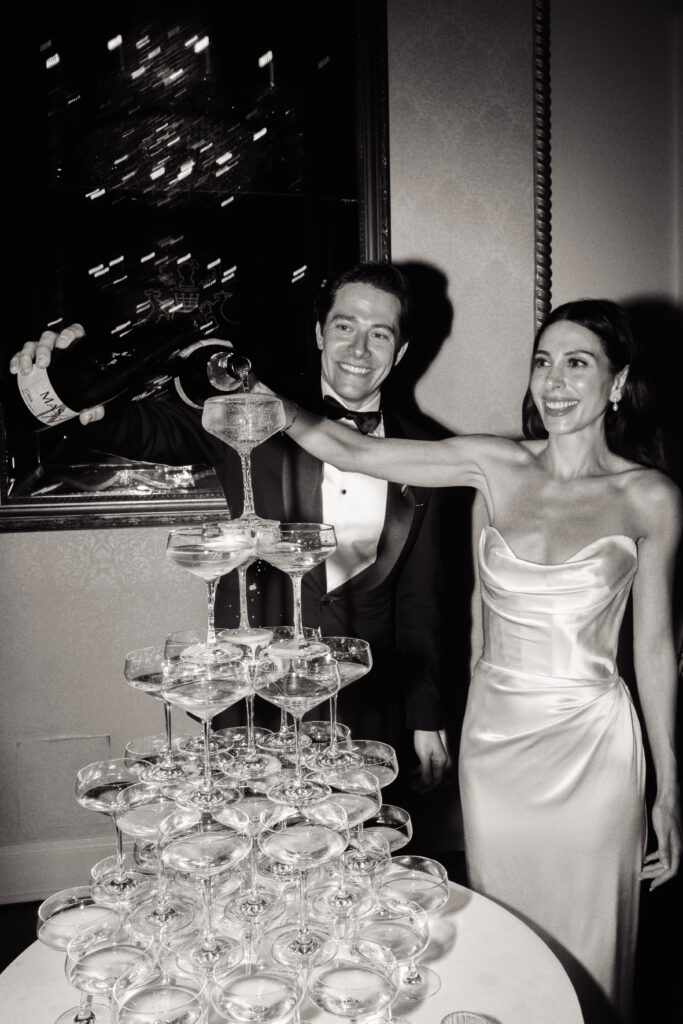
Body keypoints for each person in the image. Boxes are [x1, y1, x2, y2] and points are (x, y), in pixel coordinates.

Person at [249, 298, 681, 1024]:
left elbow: (658, 648)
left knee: (593, 936)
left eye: (577, 363)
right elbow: (353, 451)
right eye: (542, 361)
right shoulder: (492, 465)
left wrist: (669, 790)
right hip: (496, 745)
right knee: (504, 928)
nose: (554, 381)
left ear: (616, 383)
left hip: (594, 748)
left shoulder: (648, 497)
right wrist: (270, 403)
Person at [10, 262, 451, 802]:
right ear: (319, 333)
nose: (359, 349)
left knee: (353, 853)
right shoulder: (251, 410)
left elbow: (422, 600)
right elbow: (141, 428)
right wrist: (66, 387)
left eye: (379, 334)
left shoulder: (430, 453)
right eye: (344, 326)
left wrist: (426, 716)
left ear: (400, 350)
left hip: (364, 696)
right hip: (256, 692)